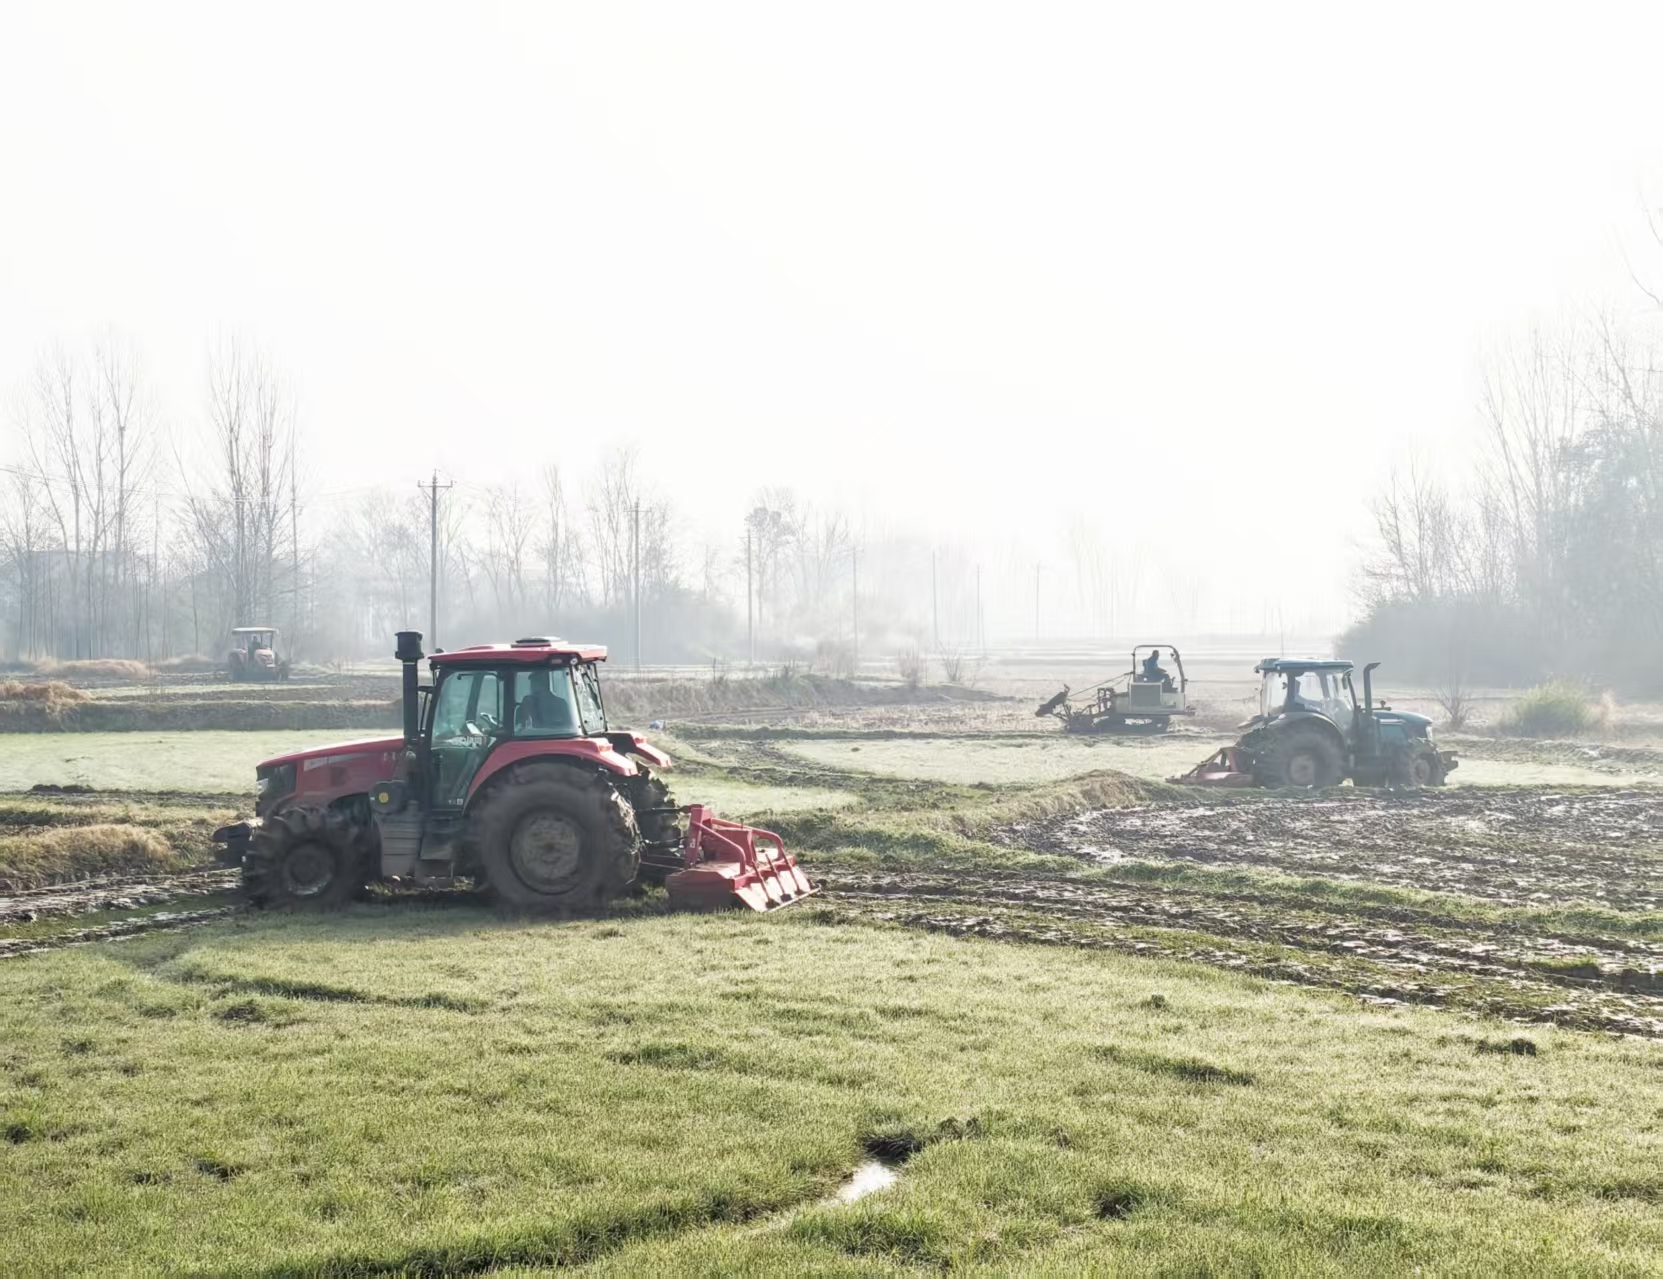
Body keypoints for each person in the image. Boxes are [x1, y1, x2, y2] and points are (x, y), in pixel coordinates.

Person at [517, 668, 576, 734]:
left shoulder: (528, 701)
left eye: (535, 682)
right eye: (533, 682)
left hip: (536, 738)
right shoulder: (561, 703)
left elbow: (522, 724)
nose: (532, 685)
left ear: (543, 683)